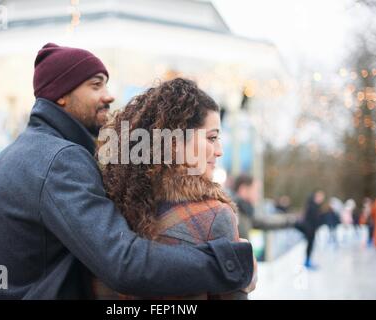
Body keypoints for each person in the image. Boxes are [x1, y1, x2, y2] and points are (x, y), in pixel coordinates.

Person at [0, 43, 255, 299]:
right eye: (95, 86)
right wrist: (229, 264)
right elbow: (124, 262)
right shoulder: (61, 160)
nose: (108, 96)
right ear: (60, 94)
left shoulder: (13, 155)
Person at [94, 78, 255, 299]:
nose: (219, 151)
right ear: (175, 142)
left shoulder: (115, 207)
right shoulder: (214, 215)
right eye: (212, 138)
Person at [232, 175, 298, 241]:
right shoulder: (233, 212)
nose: (257, 195)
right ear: (243, 189)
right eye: (256, 190)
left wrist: (292, 220)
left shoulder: (245, 211)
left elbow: (265, 221)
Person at [299, 190, 325, 269]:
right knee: (309, 245)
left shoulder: (314, 206)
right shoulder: (312, 206)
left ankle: (308, 260)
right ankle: (307, 261)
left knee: (311, 245)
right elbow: (311, 218)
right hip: (309, 229)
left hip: (312, 229)